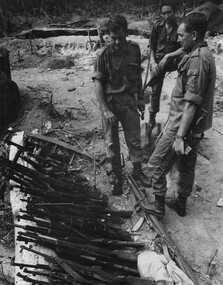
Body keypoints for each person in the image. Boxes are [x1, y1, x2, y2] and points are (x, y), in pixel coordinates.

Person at [144, 12, 216, 219]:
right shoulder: (202, 53)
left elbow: (191, 104)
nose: (177, 39)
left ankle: (158, 207)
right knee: (185, 166)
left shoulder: (197, 62)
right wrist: (168, 56)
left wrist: (178, 137)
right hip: (195, 128)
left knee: (156, 165)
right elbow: (183, 52)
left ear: (193, 35)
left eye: (182, 35)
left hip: (180, 126)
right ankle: (180, 203)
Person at [92, 15, 151, 195]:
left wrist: (140, 98)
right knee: (112, 142)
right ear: (108, 35)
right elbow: (98, 85)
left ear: (126, 33)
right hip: (109, 104)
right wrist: (105, 109)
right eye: (113, 37)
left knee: (134, 138)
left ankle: (138, 171)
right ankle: (117, 174)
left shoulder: (134, 49)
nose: (116, 42)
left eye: (120, 37)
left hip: (128, 101)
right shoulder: (103, 55)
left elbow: (138, 75)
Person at [148, 3, 181, 131]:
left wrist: (168, 57)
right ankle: (152, 117)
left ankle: (178, 118)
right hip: (158, 61)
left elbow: (184, 48)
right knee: (155, 89)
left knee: (182, 86)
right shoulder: (157, 26)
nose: (166, 16)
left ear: (174, 12)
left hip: (173, 61)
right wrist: (152, 62)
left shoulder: (180, 27)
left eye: (169, 12)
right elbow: (152, 46)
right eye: (164, 13)